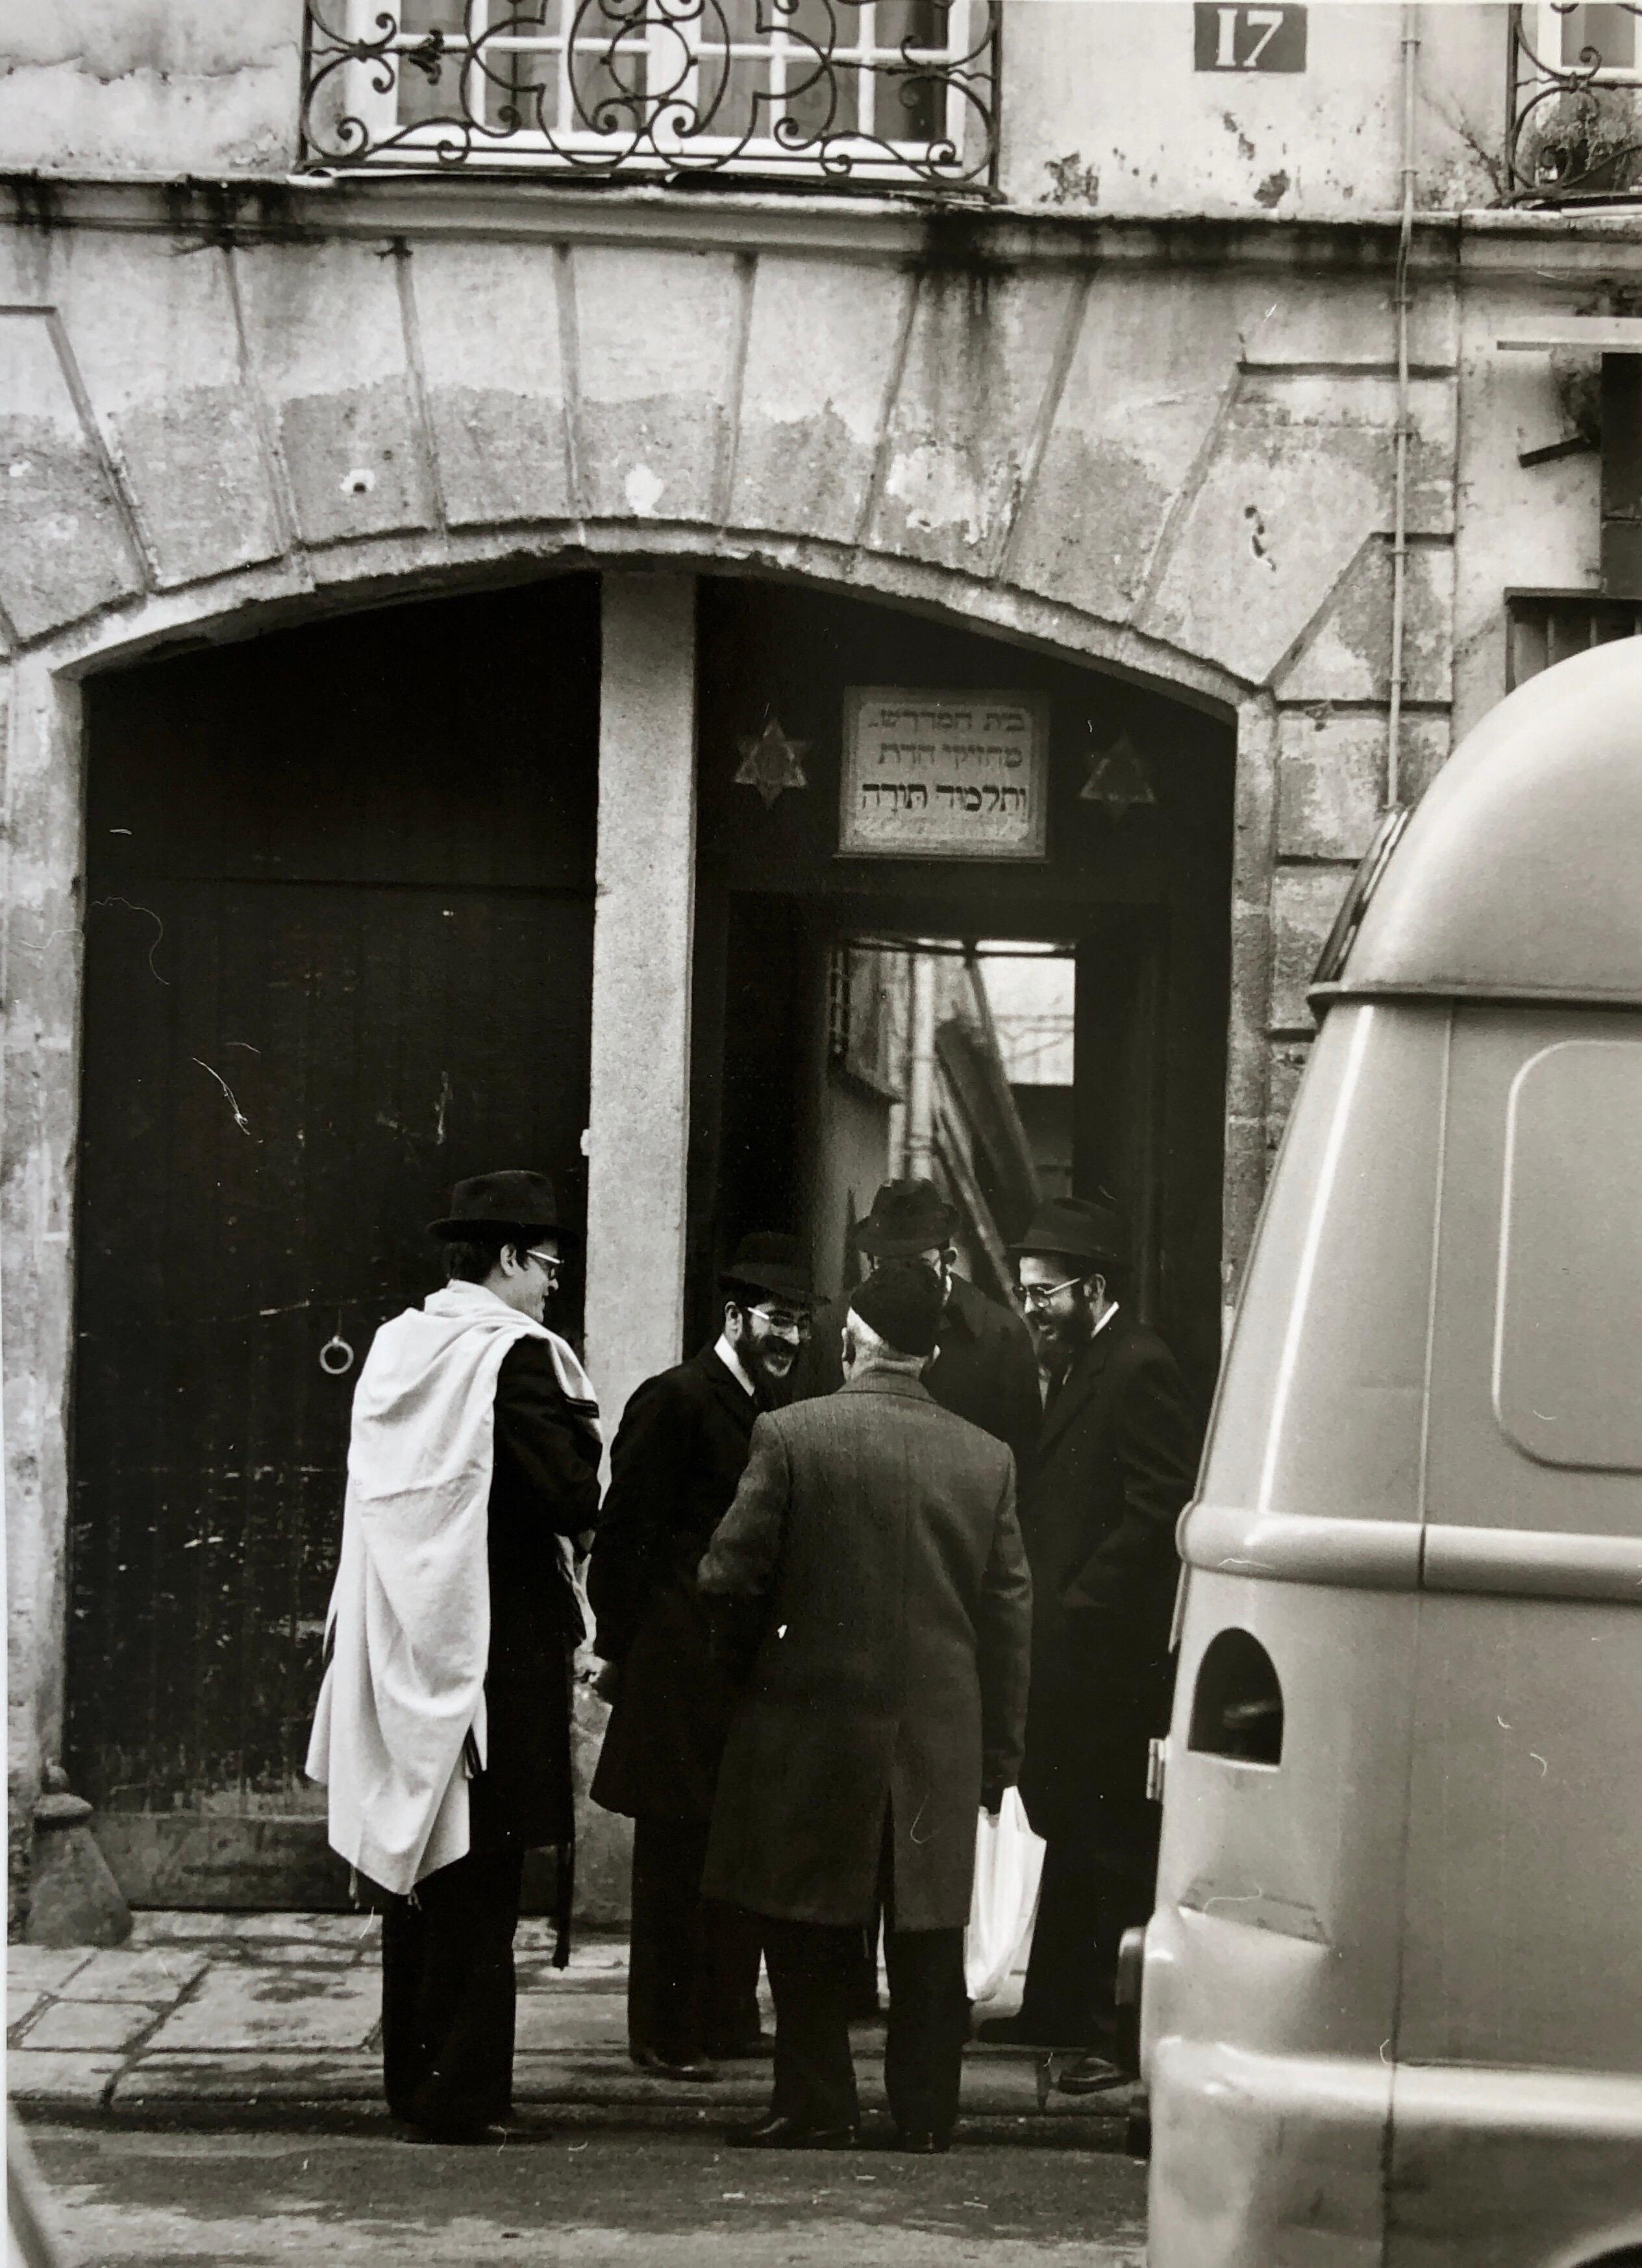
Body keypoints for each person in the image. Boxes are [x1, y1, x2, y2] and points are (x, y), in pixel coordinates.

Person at [699, 1263, 1033, 2152]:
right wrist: (997, 1757)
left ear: (852, 1339)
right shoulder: (985, 1457)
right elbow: (1007, 1619)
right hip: (938, 1733)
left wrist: (746, 1684)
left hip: (808, 1723)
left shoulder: (790, 1434)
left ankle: (816, 2101)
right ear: (927, 1352)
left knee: (803, 1916)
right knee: (927, 1926)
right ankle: (925, 2112)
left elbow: (725, 1581)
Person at [306, 1170, 602, 2143]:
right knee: (480, 1872)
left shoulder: (400, 1346)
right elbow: (565, 1495)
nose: (555, 1284)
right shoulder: (512, 1359)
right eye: (549, 1264)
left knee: (424, 1868)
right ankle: (465, 2095)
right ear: (511, 1259)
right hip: (492, 1649)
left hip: (405, 1629)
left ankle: (414, 2080)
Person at [975, 1194, 1201, 2094]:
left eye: (1045, 1292)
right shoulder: (1083, 1362)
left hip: (1108, 1654)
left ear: (1092, 1288)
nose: (1031, 1307)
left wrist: (1077, 1601)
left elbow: (1160, 1501)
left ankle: (1113, 2032)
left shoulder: (1137, 1366)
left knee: (1108, 1840)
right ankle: (1056, 2006)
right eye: (1026, 1292)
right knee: (1068, 1820)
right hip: (1075, 1647)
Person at [587, 1233, 814, 2080]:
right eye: (774, 1318)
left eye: (798, 1322)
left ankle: (722, 2017)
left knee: (734, 1852)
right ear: (732, 1316)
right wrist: (626, 1648)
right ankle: (663, 2031)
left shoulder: (776, 1409)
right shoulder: (677, 1399)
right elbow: (622, 1540)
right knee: (675, 1861)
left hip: (740, 1675)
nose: (788, 1336)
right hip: (679, 1672)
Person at [790, 1177, 1040, 1477]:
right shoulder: (833, 1326)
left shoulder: (1001, 1336)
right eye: (886, 1266)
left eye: (917, 1265)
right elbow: (804, 1442)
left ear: (948, 1260)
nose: (902, 1280)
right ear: (869, 1262)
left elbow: (1021, 1466)